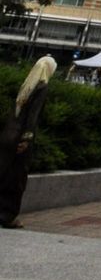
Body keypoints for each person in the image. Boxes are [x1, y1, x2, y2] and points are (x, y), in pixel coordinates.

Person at [0, 56, 57, 229]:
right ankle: (7, 216)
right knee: (17, 179)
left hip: (7, 135)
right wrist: (27, 138)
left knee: (3, 174)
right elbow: (33, 115)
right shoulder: (42, 87)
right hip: (20, 139)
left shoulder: (27, 85)